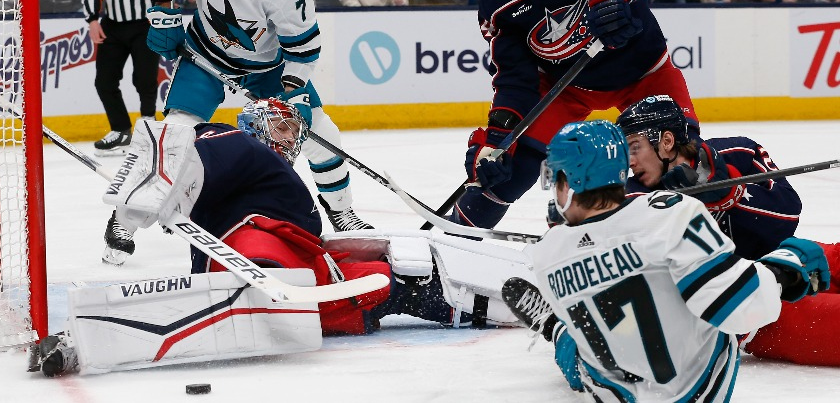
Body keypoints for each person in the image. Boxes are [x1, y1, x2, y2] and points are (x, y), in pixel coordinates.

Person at [32, 99, 528, 377]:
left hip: (269, 268)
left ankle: (509, 299)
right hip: (270, 271)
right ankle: (514, 298)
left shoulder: (252, 167)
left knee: (406, 270)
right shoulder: (244, 149)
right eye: (282, 129)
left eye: (293, 131)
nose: (290, 140)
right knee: (406, 279)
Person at [509, 119, 829, 400]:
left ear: (572, 183)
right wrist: (783, 272)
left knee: (585, 358)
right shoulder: (670, 214)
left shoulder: (547, 252)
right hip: (697, 387)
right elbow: (738, 307)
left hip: (618, 388)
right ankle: (558, 328)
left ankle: (554, 327)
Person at [130, 0, 373, 254]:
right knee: (175, 132)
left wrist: (288, 99)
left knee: (323, 134)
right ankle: (128, 215)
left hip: (268, 69)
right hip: (206, 57)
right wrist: (163, 14)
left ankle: (342, 211)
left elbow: (302, 51)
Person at [449, 0, 696, 230]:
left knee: (682, 160)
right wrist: (496, 142)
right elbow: (514, 79)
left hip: (645, 74)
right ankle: (451, 243)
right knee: (505, 172)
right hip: (566, 88)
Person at [614, 94, 840, 366]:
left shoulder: (739, 153)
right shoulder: (634, 197)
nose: (630, 162)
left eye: (635, 147)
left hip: (782, 262)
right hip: (743, 309)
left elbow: (788, 214)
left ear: (666, 141)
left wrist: (731, 192)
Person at [82, 0, 160, 156]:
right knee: (104, 81)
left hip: (144, 23)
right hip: (113, 25)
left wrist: (159, 12)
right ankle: (121, 130)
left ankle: (148, 127)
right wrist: (93, 19)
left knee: (145, 79)